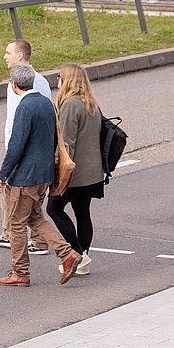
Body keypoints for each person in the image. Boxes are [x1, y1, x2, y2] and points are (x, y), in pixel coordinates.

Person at [0, 64, 80, 287]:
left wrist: (3, 174)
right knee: (34, 218)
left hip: (26, 177)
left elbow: (16, 146)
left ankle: (20, 272)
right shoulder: (46, 102)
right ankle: (67, 254)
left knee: (16, 224)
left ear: (14, 85)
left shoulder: (25, 107)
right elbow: (53, 138)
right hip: (44, 175)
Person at [0, 39, 52, 253]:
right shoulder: (19, 81)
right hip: (21, 148)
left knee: (22, 198)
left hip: (25, 151)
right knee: (18, 197)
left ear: (20, 55)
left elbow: (34, 120)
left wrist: (14, 155)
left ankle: (22, 239)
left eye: (8, 52)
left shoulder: (35, 82)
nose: (5, 56)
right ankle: (12, 235)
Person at [47, 63, 104, 275]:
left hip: (74, 174)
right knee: (82, 213)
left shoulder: (70, 104)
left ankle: (78, 256)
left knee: (53, 209)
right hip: (92, 172)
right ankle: (83, 261)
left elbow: (66, 144)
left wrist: (55, 169)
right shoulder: (91, 103)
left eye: (60, 76)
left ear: (68, 80)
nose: (57, 80)